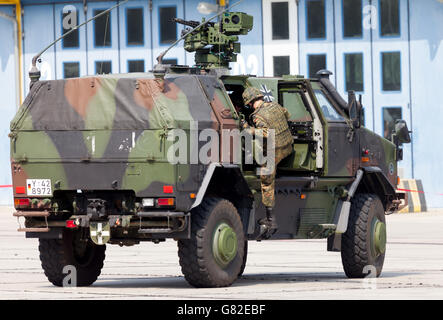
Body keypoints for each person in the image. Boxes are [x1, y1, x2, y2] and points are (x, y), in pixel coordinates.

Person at [240, 87, 293, 238]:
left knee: (266, 180)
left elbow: (265, 134)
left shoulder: (257, 117)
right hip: (288, 147)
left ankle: (271, 219)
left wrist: (248, 128)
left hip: (275, 152)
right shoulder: (275, 105)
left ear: (250, 103)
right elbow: (287, 114)